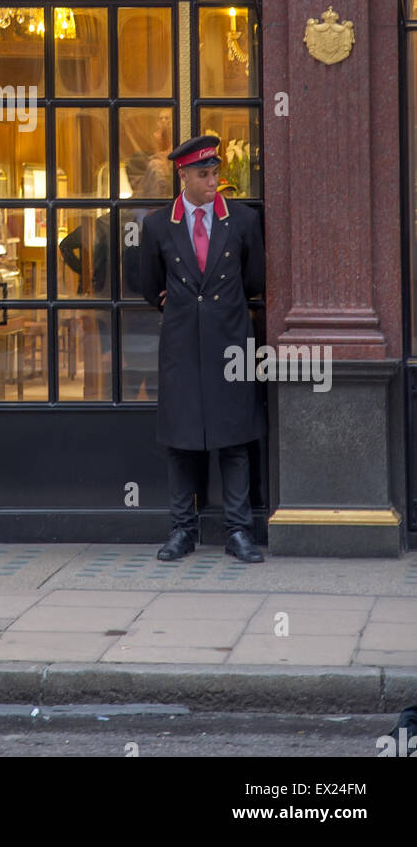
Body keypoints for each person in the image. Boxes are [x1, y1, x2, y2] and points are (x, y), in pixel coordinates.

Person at [139, 134, 266, 563]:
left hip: (230, 345)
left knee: (234, 440)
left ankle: (238, 531)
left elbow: (254, 281)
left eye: (215, 173)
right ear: (184, 176)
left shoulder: (243, 221)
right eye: (204, 174)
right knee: (180, 442)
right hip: (180, 347)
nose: (213, 181)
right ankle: (182, 530)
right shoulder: (158, 225)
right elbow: (148, 285)